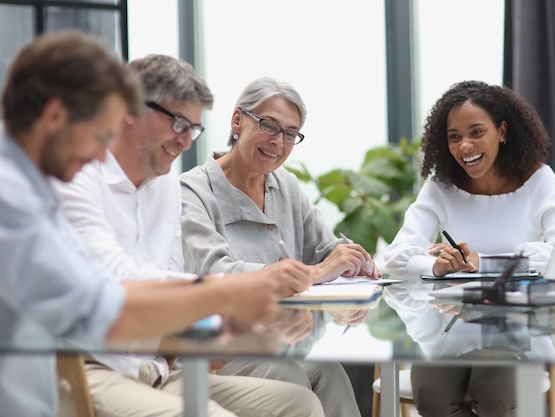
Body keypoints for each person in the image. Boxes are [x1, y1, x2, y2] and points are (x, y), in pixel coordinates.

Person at [0, 30, 324, 417]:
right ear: (54, 117)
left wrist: (225, 319)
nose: (98, 154)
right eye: (101, 134)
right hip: (82, 371)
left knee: (297, 403)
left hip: (152, 366)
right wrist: (234, 294)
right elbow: (109, 296)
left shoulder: (43, 185)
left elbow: (151, 282)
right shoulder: (21, 193)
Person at [179, 76, 381, 417]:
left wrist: (355, 265)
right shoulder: (192, 192)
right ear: (237, 120)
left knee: (330, 373)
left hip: (281, 345)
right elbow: (215, 274)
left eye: (290, 133)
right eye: (269, 125)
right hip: (217, 352)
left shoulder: (284, 186)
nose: (278, 141)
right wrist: (315, 273)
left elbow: (326, 251)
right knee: (288, 378)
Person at [383, 80, 555, 417]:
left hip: (520, 334)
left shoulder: (538, 179)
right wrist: (436, 266)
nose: (465, 146)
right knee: (431, 393)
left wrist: (482, 263)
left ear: (502, 131)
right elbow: (396, 258)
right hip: (450, 334)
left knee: (494, 388)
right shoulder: (441, 186)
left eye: (476, 132)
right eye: (454, 136)